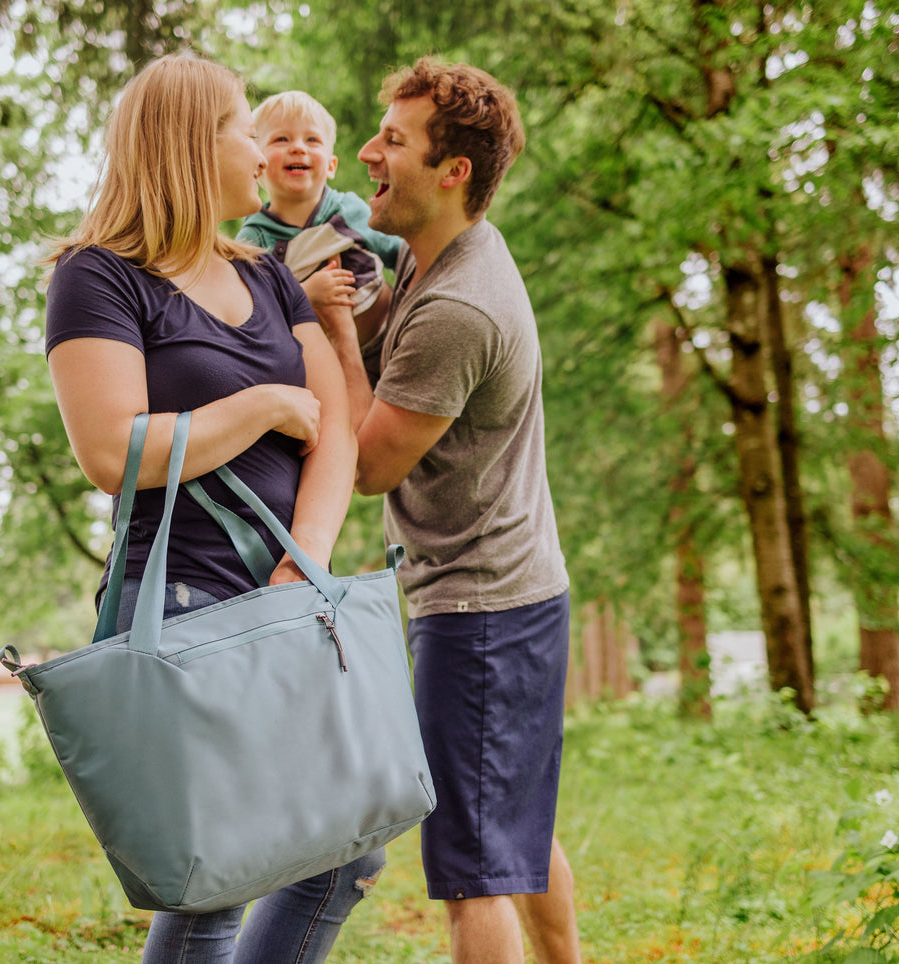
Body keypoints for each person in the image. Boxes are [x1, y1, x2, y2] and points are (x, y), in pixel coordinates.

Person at [42, 53, 380, 964]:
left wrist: (306, 554)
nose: (258, 150)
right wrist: (259, 408)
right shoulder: (97, 277)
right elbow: (112, 452)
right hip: (188, 596)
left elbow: (336, 428)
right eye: (240, 128)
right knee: (216, 876)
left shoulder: (267, 275)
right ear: (193, 146)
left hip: (287, 588)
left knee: (350, 845)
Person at [315, 57, 583, 964]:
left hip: (478, 613)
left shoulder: (460, 305)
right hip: (522, 594)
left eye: (393, 139)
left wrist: (325, 333)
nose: (365, 151)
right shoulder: (451, 252)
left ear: (452, 171)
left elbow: (369, 463)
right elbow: (386, 335)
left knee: (472, 870)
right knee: (515, 828)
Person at [235, 90, 400, 346]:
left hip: (389, 339)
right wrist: (305, 294)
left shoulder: (348, 210)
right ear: (259, 165)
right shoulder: (253, 238)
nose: (298, 147)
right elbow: (249, 312)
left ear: (331, 166)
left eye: (312, 140)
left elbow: (400, 255)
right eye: (281, 139)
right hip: (318, 361)